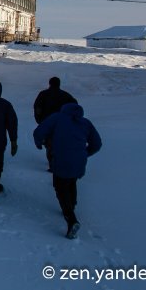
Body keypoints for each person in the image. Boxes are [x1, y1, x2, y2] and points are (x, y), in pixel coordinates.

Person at [33, 102, 102, 239]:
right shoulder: (85, 122)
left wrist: (38, 143)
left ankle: (71, 219)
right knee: (71, 181)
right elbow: (97, 143)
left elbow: (39, 132)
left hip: (61, 158)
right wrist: (84, 153)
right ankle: (72, 205)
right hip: (79, 161)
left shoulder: (57, 118)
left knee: (60, 186)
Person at [33, 77, 77, 170]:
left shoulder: (43, 94)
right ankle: (58, 163)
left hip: (47, 124)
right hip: (63, 125)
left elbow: (37, 108)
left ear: (50, 83)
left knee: (50, 145)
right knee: (60, 143)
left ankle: (53, 165)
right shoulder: (66, 95)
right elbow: (75, 107)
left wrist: (40, 121)